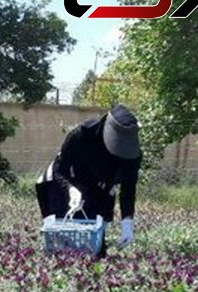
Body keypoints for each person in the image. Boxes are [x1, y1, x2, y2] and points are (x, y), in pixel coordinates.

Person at [35, 103, 141, 255]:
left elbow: (129, 187)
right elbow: (60, 169)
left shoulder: (132, 152)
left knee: (95, 250)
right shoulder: (80, 136)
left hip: (99, 188)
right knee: (61, 245)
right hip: (63, 182)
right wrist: (71, 189)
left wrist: (127, 224)